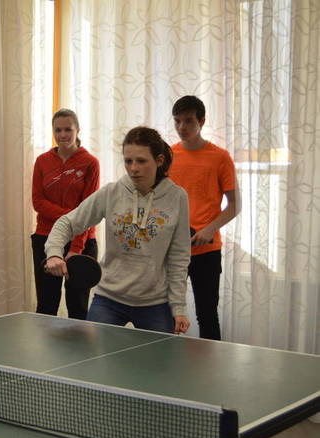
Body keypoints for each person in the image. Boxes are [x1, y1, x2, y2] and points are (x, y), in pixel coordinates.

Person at [44, 127, 191, 334]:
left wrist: (179, 308)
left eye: (141, 161)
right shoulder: (112, 192)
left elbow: (179, 257)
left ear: (159, 160)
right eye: (128, 161)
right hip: (109, 299)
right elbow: (66, 223)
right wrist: (54, 254)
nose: (133, 168)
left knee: (161, 356)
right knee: (93, 355)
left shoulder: (177, 197)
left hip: (155, 303)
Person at [169, 96, 240, 340]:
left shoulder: (220, 157)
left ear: (202, 121)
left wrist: (210, 229)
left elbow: (234, 205)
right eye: (177, 121)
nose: (182, 127)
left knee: (207, 315)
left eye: (188, 121)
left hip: (207, 251)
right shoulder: (168, 155)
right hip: (172, 249)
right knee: (166, 313)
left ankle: (213, 362)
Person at [31, 108, 100, 320]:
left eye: (68, 129)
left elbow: (89, 210)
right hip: (45, 238)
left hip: (82, 241)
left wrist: (76, 248)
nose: (62, 135)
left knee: (78, 307)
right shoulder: (42, 161)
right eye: (57, 130)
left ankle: (78, 345)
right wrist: (70, 217)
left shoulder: (90, 163)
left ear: (78, 130)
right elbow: (38, 201)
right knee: (46, 305)